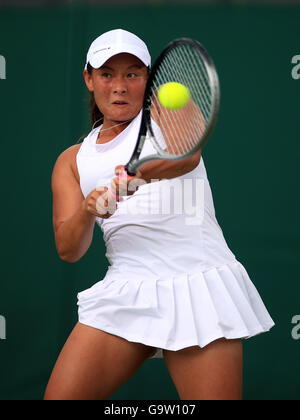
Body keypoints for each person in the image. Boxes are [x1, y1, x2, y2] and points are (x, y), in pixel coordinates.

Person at [44, 29, 275, 400]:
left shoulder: (170, 106)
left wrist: (136, 174)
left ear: (148, 80)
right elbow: (68, 249)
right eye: (107, 74)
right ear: (89, 79)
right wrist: (88, 211)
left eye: (132, 74)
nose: (119, 85)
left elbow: (187, 156)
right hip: (126, 288)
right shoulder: (71, 162)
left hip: (197, 280)